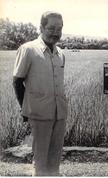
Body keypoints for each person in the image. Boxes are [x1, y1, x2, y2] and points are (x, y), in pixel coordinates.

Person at [13, 11, 67, 176]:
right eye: (51, 28)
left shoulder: (61, 54)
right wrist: (25, 110)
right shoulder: (28, 49)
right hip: (39, 114)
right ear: (41, 27)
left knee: (55, 160)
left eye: (59, 28)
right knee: (41, 162)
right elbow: (17, 81)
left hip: (60, 113)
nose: (55, 32)